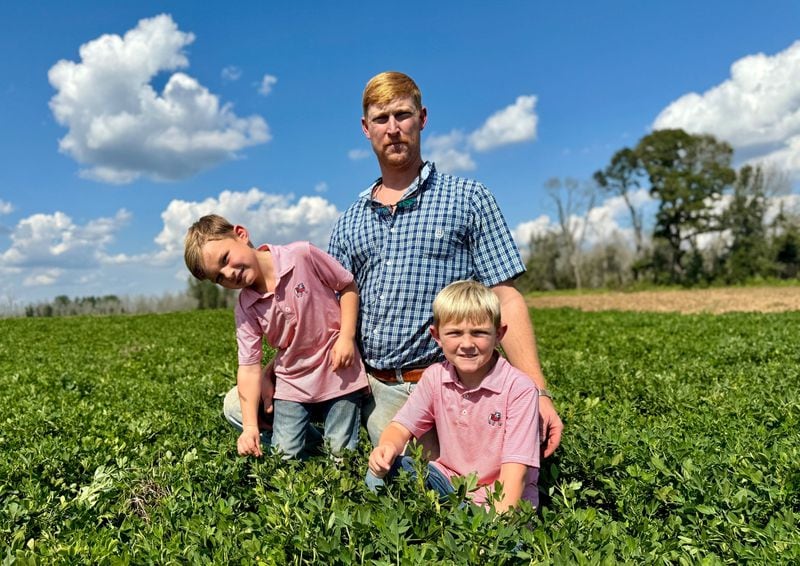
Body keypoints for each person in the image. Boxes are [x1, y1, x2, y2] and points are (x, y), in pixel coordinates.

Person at [326, 71, 562, 458]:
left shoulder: (468, 198)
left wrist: (536, 390)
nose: (393, 128)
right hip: (373, 384)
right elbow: (327, 313)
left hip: (450, 380)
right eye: (381, 120)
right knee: (241, 405)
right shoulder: (350, 220)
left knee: (465, 486)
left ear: (422, 118)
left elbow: (506, 296)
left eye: (403, 115)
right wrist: (271, 373)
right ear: (366, 129)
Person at [185, 214, 368, 458]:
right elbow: (249, 368)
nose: (229, 274)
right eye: (219, 277)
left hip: (338, 372)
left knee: (341, 455)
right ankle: (313, 471)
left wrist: (346, 336)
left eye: (225, 259)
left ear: (241, 234)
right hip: (292, 383)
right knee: (285, 456)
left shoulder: (302, 255)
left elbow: (346, 285)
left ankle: (336, 478)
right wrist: (250, 427)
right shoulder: (246, 308)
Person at [366, 280, 540, 511]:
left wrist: (493, 535)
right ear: (437, 336)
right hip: (449, 485)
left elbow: (514, 477)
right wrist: (386, 448)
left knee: (509, 543)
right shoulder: (435, 377)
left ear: (499, 334)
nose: (466, 344)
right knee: (393, 469)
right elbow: (400, 427)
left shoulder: (519, 389)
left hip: (500, 503)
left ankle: (457, 528)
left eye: (479, 333)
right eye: (455, 333)